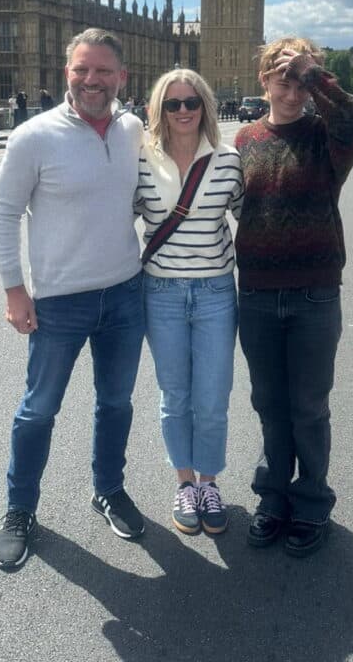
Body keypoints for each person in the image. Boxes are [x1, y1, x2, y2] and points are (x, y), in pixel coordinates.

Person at [0, 28, 146, 570]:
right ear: (67, 74)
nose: (91, 80)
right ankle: (20, 510)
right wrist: (14, 288)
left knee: (117, 403)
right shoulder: (34, 136)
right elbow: (3, 213)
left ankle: (108, 489)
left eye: (103, 71)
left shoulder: (132, 130)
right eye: (82, 69)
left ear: (121, 77)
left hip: (126, 293)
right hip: (58, 302)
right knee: (38, 411)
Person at [234, 36, 353, 557]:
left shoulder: (326, 137)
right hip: (258, 295)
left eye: (299, 81)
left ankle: (311, 503)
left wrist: (317, 74)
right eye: (283, 79)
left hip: (314, 294)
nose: (291, 91)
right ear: (264, 80)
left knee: (308, 408)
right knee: (269, 405)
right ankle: (273, 498)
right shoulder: (244, 139)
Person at [136, 69, 243, 536]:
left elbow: (255, 218)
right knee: (175, 395)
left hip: (216, 291)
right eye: (172, 104)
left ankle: (209, 483)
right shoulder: (140, 159)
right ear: (158, 110)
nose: (183, 111)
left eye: (191, 103)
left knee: (213, 397)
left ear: (205, 107)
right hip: (160, 292)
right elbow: (110, 215)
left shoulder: (228, 159)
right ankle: (184, 482)